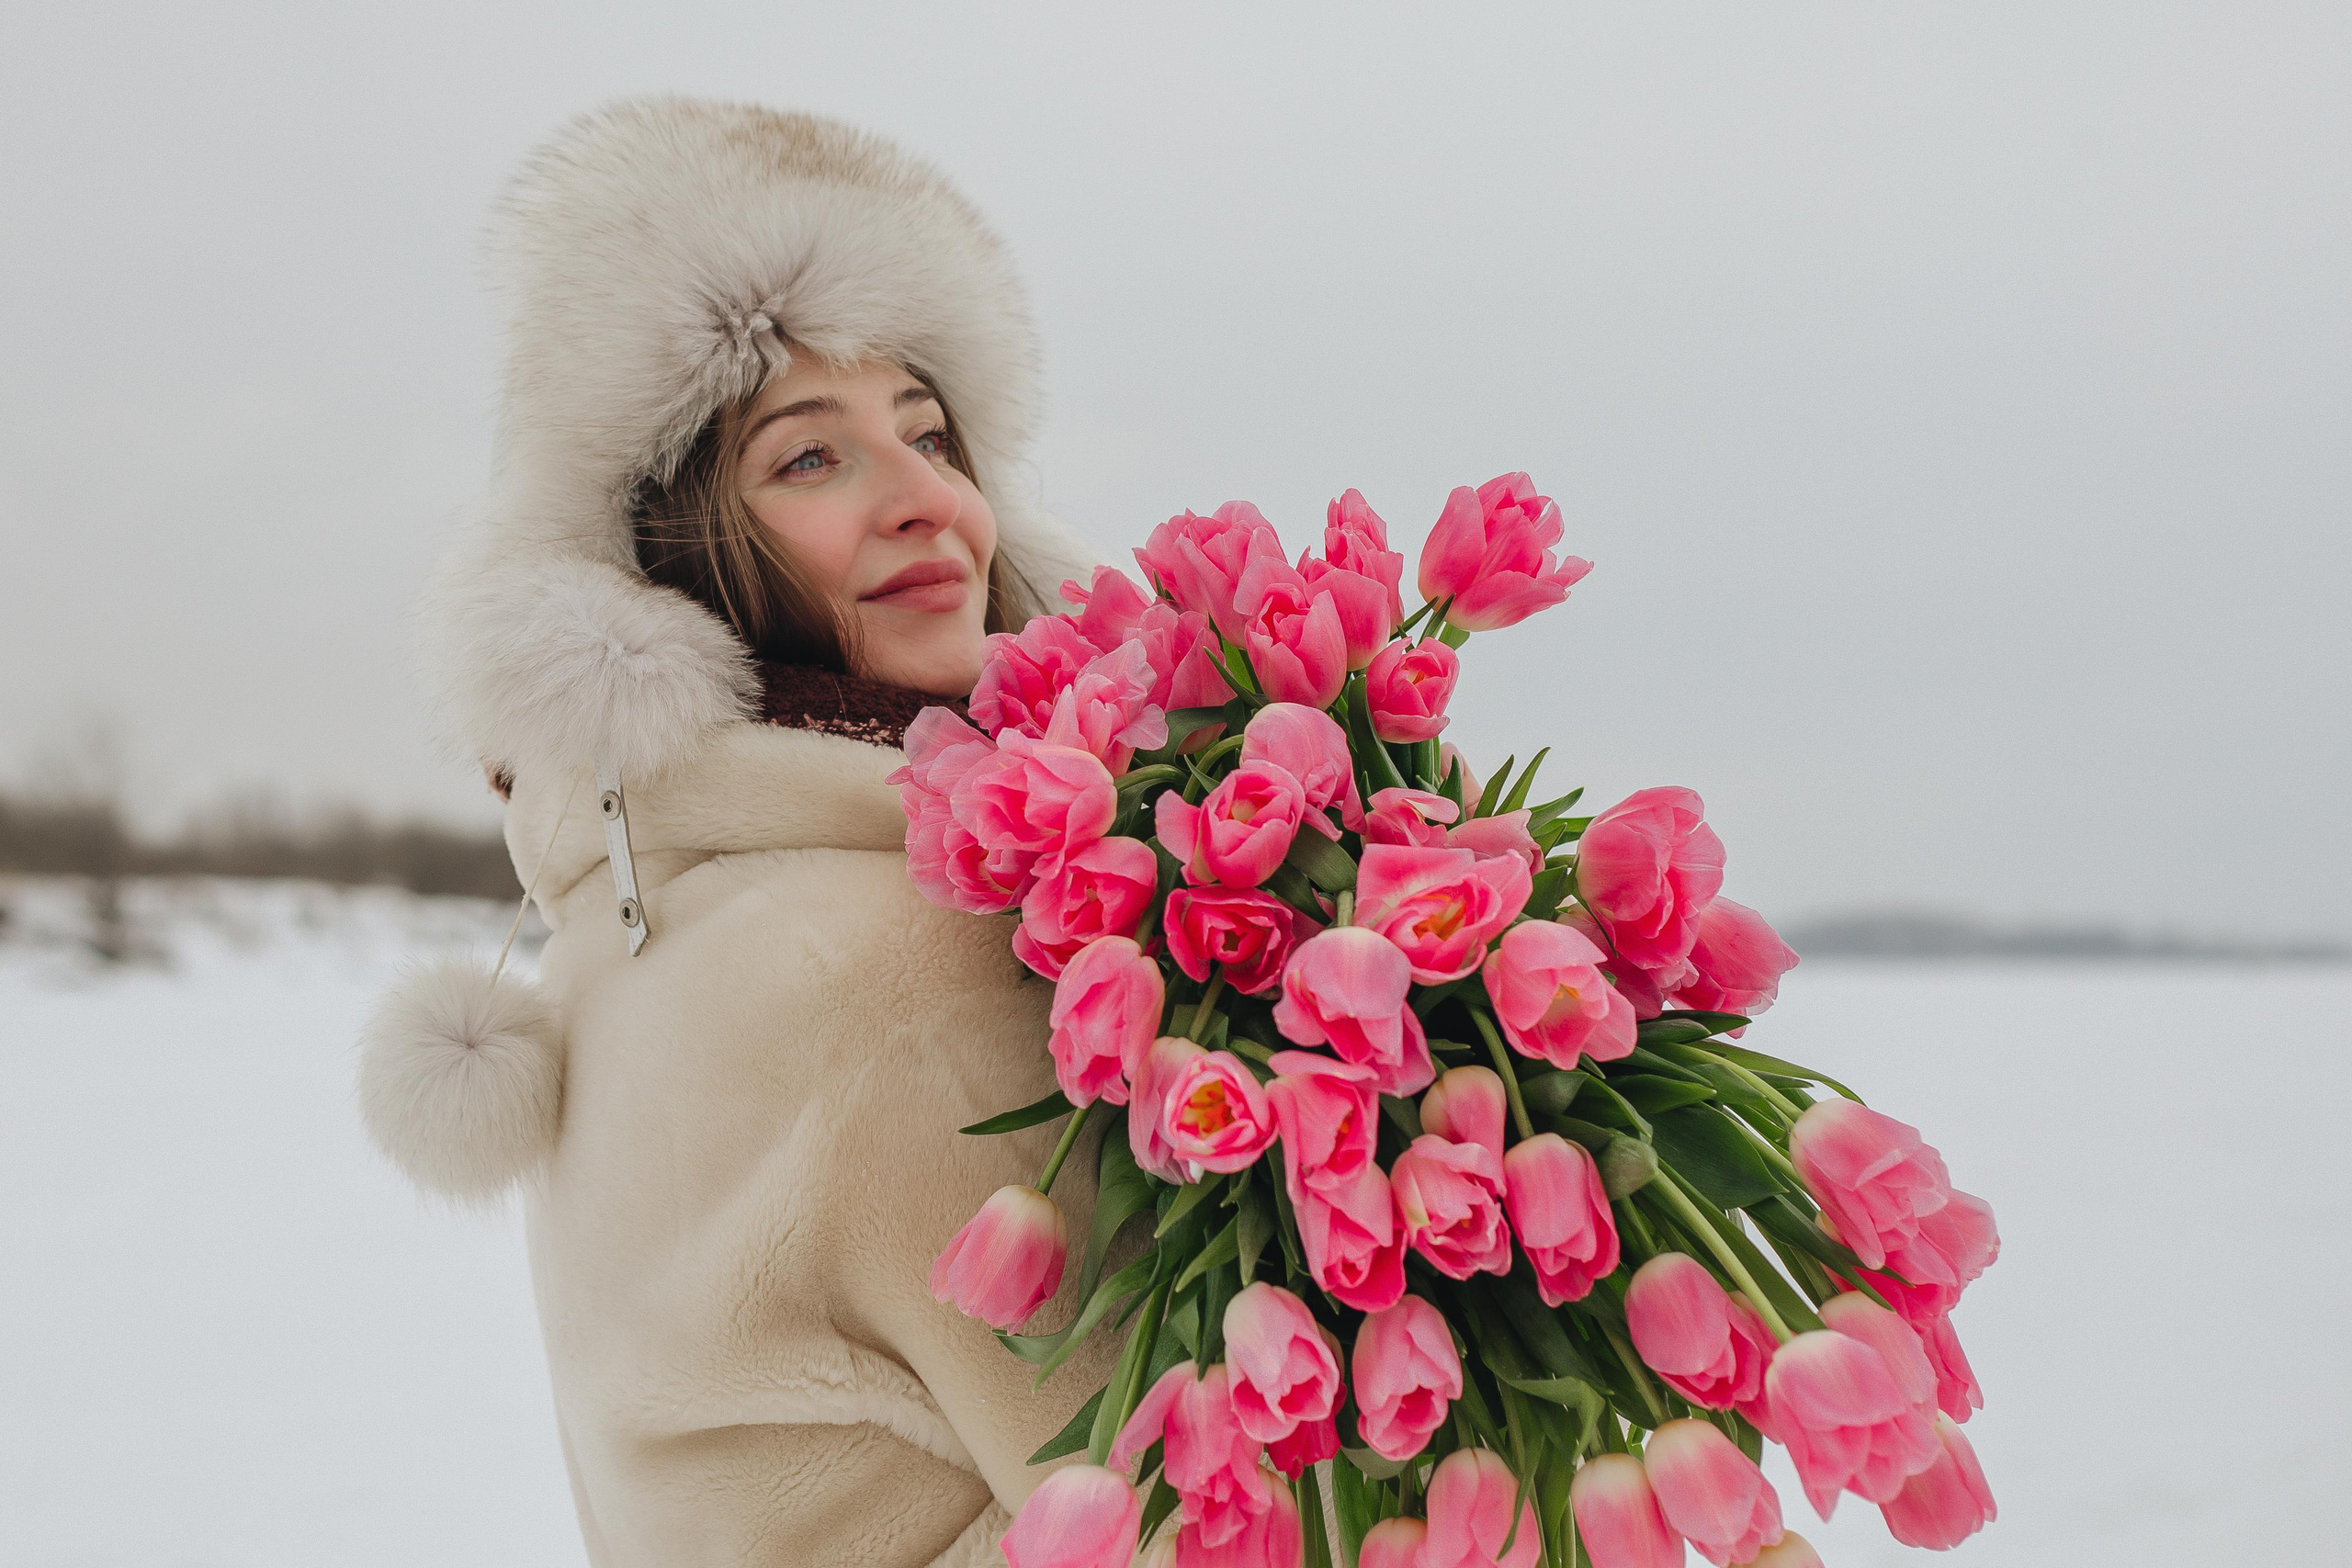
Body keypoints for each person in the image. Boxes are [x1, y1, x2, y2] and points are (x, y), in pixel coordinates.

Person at [357, 97, 1115, 1566]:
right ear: (678, 553)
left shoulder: (641, 914)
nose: (928, 507)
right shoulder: (887, 958)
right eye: (809, 460)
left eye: (929, 433)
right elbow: (1218, 1511)